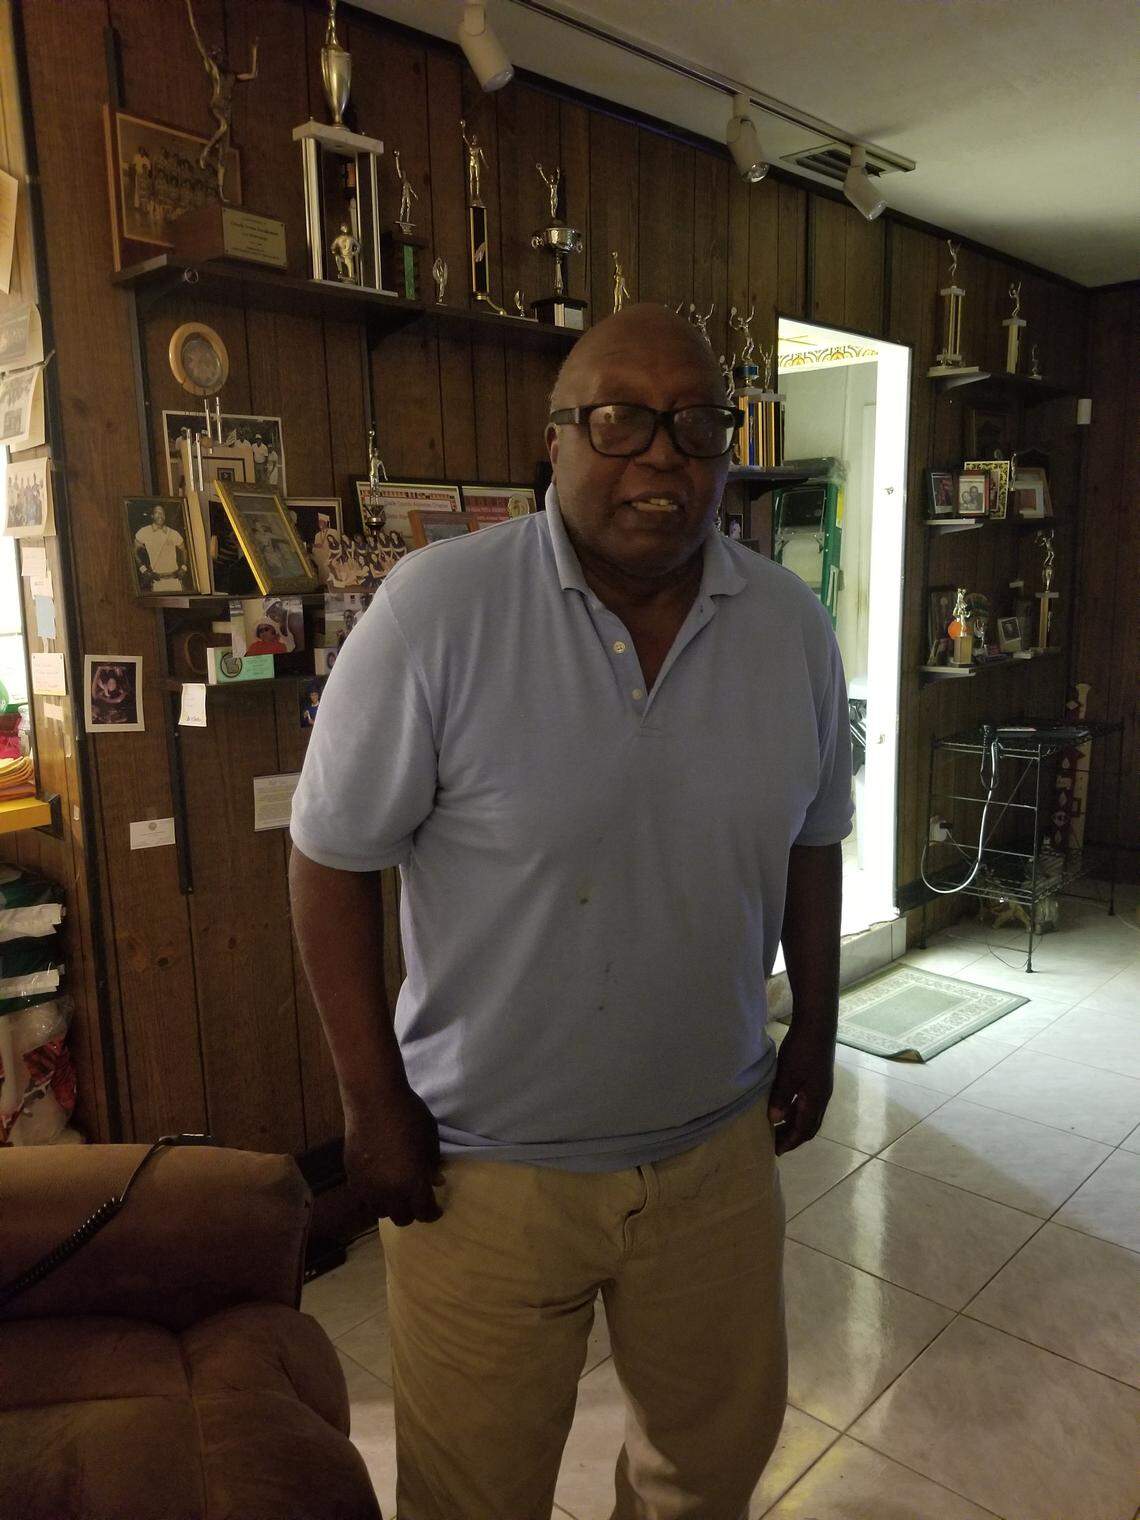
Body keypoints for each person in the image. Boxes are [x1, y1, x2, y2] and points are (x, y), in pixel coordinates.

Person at [289, 304, 852, 1520]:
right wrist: (367, 1099)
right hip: (484, 1173)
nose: (661, 452)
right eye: (618, 418)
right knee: (475, 1493)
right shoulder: (436, 612)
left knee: (707, 1469)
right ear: (554, 440)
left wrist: (816, 1025)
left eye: (697, 421)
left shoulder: (792, 628)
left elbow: (815, 840)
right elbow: (330, 858)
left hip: (714, 1147)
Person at [134, 502, 189, 593]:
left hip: (174, 580)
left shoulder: (173, 533)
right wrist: (143, 570)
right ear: (152, 516)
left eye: (162, 513)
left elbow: (184, 550)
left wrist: (184, 568)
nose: (160, 515)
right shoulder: (144, 532)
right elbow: (134, 552)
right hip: (157, 581)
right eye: (157, 513)